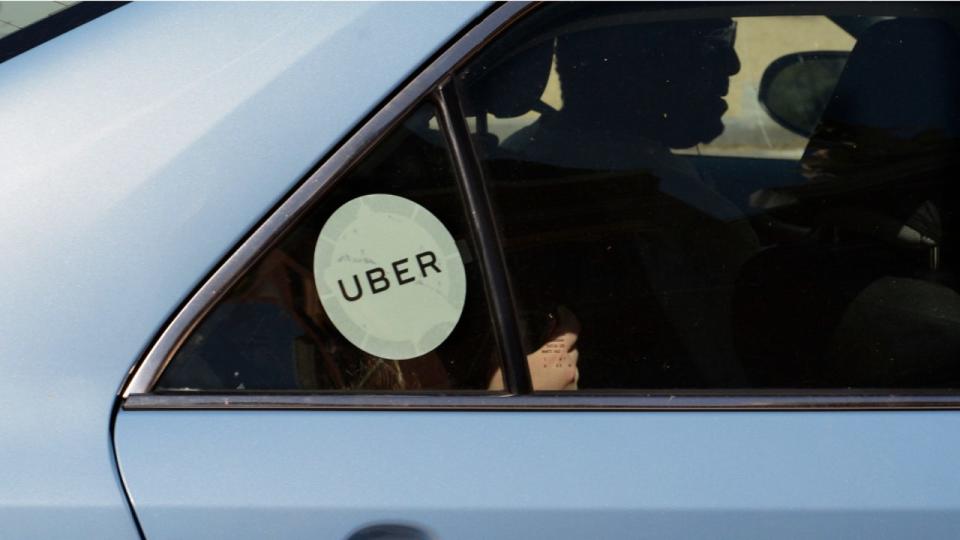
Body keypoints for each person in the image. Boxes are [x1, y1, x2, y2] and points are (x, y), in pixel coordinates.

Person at [499, 17, 759, 388]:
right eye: (712, 42)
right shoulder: (685, 211)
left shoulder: (521, 157)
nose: (732, 64)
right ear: (639, 65)